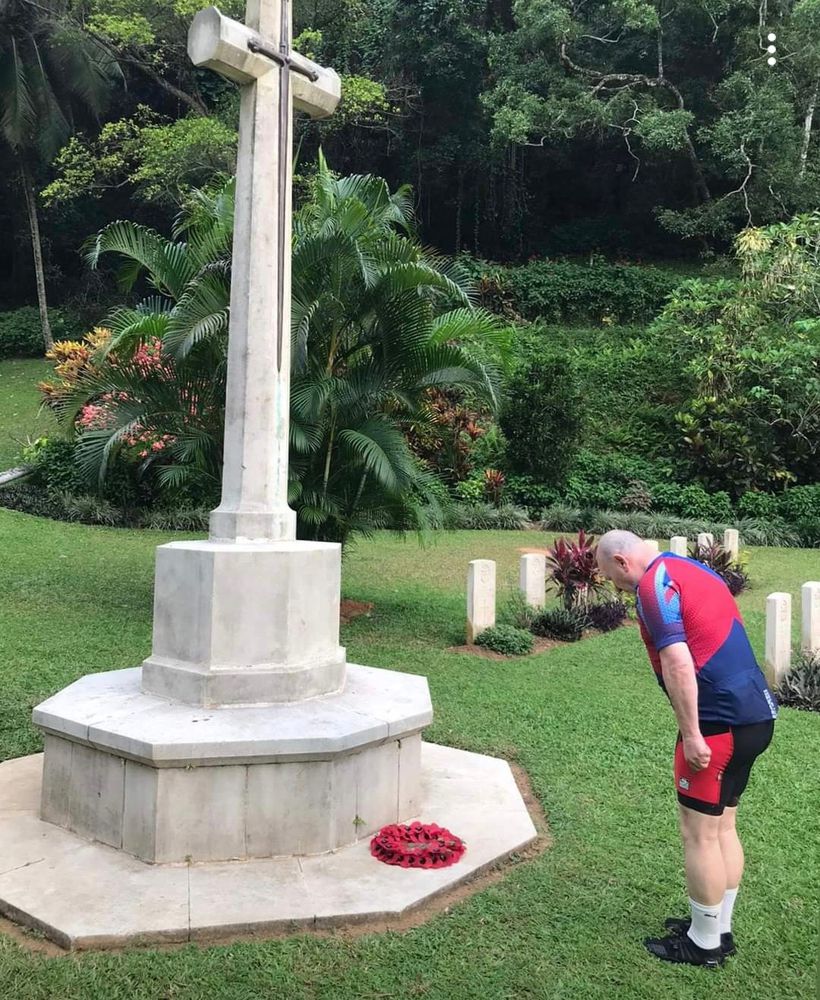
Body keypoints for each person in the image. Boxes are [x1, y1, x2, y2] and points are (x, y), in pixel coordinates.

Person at [596, 531, 777, 968]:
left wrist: (692, 733)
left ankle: (704, 946)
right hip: (755, 715)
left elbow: (678, 661)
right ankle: (717, 929)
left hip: (716, 724)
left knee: (698, 833)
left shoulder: (653, 588)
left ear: (622, 562)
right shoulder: (689, 567)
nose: (617, 589)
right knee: (722, 827)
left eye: (612, 579)